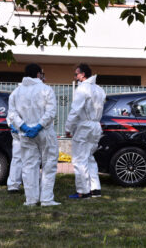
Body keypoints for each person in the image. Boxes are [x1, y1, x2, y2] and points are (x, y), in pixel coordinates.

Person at [7, 63, 60, 206]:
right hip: (45, 132)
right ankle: (46, 199)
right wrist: (38, 126)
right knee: (49, 164)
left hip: (25, 134)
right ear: (38, 74)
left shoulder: (16, 92)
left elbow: (12, 114)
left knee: (29, 166)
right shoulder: (46, 89)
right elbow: (51, 112)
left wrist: (24, 127)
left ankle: (31, 200)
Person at [65, 63, 106, 199]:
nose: (75, 77)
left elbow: (75, 110)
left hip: (85, 126)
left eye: (76, 74)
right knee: (89, 158)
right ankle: (95, 189)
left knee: (79, 160)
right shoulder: (99, 89)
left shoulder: (82, 89)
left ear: (82, 75)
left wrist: (68, 128)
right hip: (96, 126)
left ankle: (83, 191)